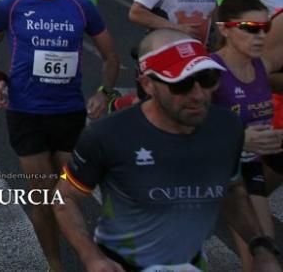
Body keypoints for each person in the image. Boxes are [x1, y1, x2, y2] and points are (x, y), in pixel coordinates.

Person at [54, 28, 282, 272]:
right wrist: (92, 256)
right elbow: (64, 196)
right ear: (148, 85)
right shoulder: (106, 135)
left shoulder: (227, 127)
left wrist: (259, 246)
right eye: (181, 84)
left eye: (207, 79)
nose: (199, 95)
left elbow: (233, 190)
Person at [0, 0, 119, 272]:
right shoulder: (12, 6)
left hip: (69, 113)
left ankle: (87, 254)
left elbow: (111, 57)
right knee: (42, 199)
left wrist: (104, 92)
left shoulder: (81, 6)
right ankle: (56, 265)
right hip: (26, 113)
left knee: (70, 197)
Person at [211, 0, 283, 272]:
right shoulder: (209, 73)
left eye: (264, 28)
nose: (259, 36)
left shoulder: (262, 68)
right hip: (204, 176)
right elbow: (183, 131)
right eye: (250, 28)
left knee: (264, 257)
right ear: (224, 29)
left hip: (247, 172)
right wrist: (240, 138)